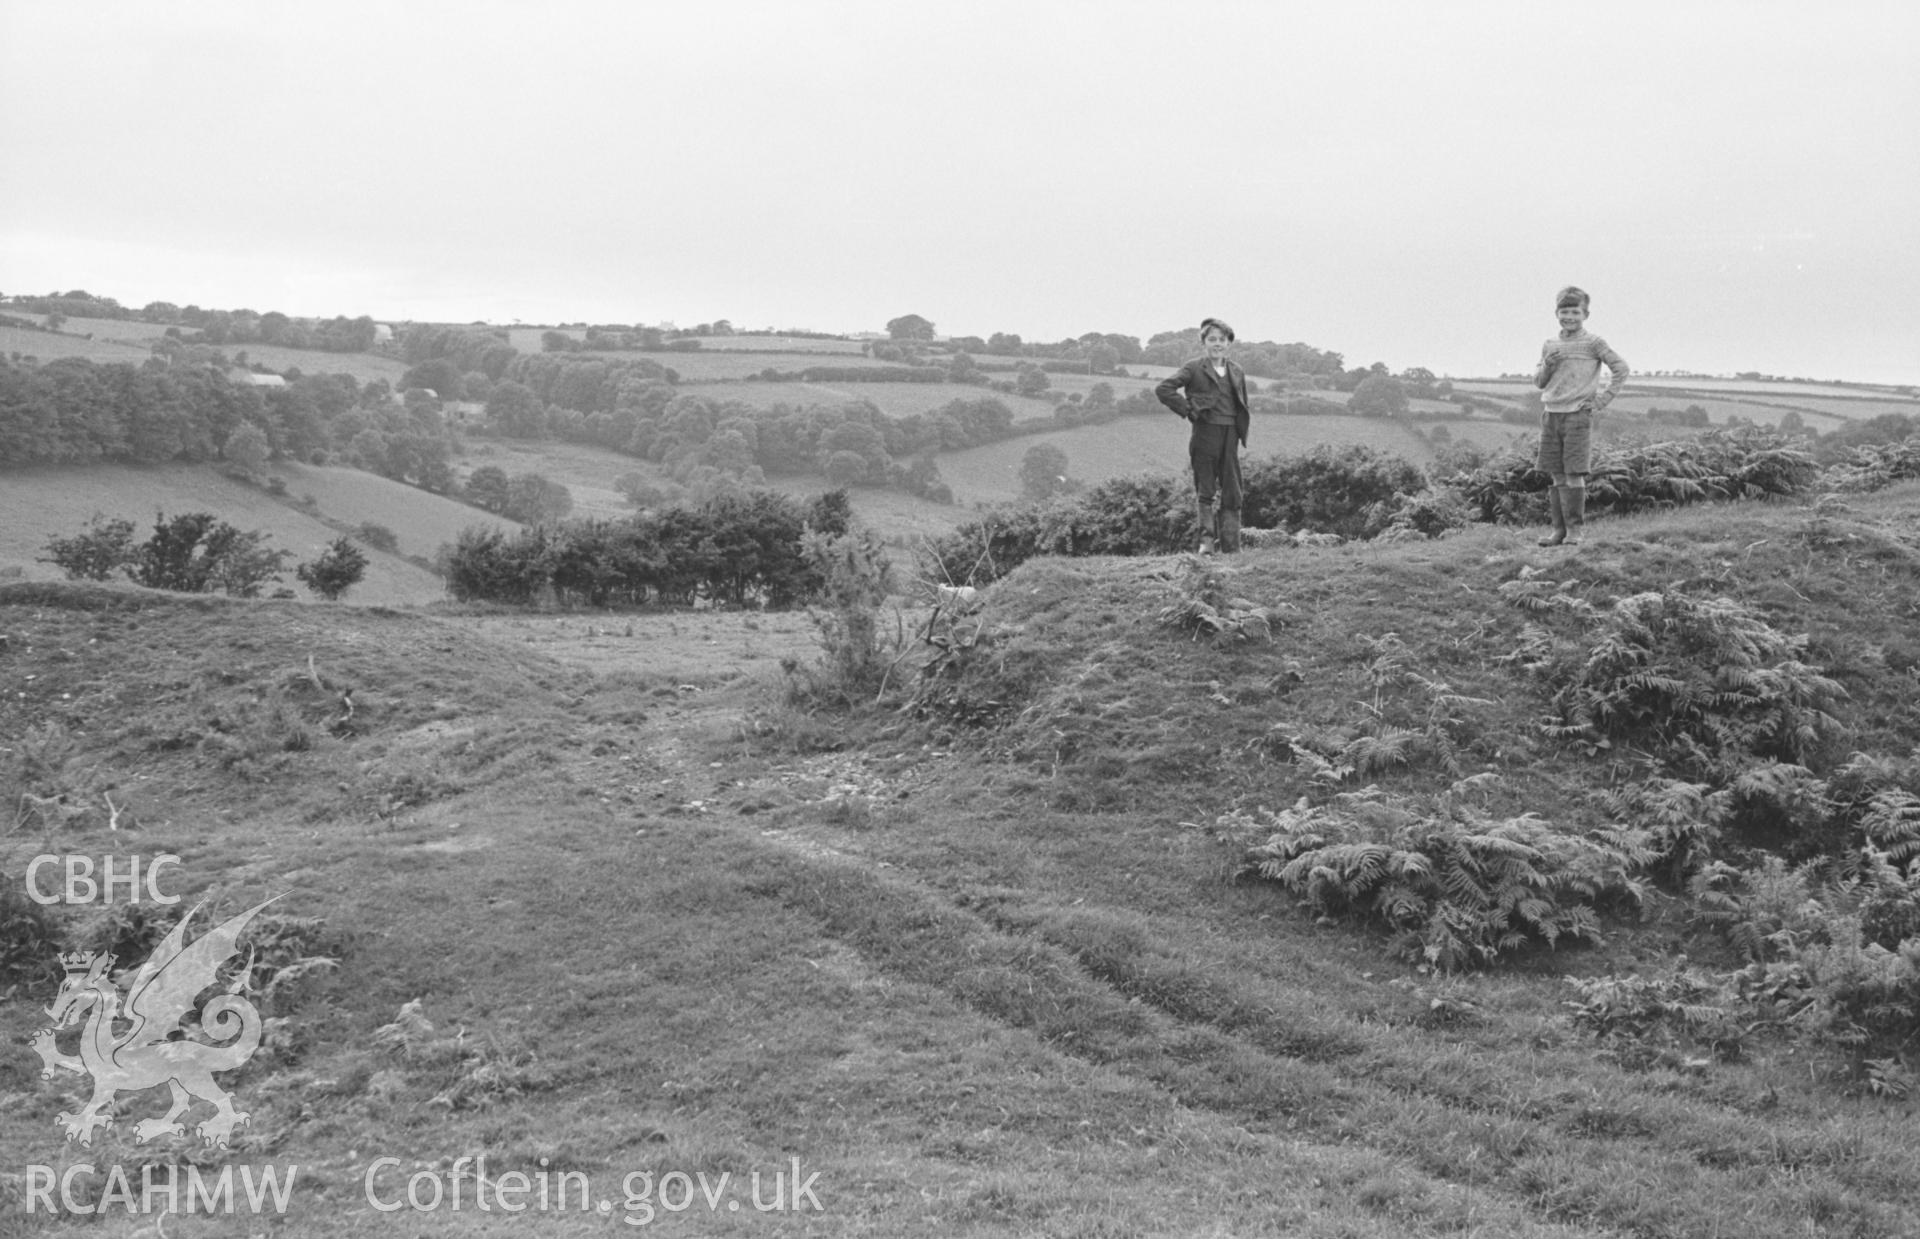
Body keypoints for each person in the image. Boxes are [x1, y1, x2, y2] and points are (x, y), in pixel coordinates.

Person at [1533, 286, 1629, 547]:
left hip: (1578, 415)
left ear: (1585, 314)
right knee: (1556, 474)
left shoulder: (1594, 342)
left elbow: (1621, 368)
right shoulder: (1550, 345)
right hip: (1551, 414)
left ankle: (1575, 532)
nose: (1569, 317)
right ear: (1556, 313)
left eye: (1575, 312)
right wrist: (1548, 365)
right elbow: (1540, 382)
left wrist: (1601, 400)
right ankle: (1558, 532)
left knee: (1574, 474)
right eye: (1564, 312)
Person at [1156, 317, 1252, 554]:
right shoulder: (1194, 367)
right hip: (1205, 432)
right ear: (1204, 343)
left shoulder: (1237, 371)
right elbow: (1164, 389)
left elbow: (1243, 404)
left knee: (1232, 491)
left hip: (1230, 435)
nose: (1217, 344)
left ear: (1228, 343)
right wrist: (1188, 410)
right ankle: (1205, 545)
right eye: (1212, 339)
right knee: (1205, 490)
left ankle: (1232, 547)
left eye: (1221, 339)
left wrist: (1241, 433)